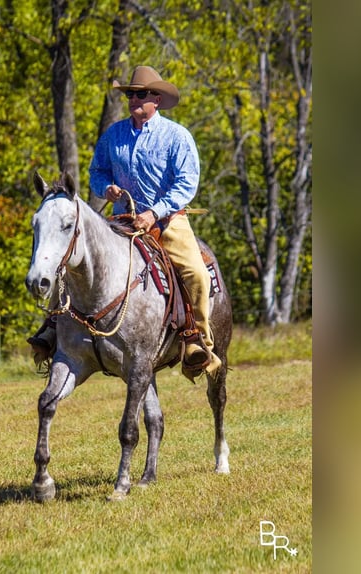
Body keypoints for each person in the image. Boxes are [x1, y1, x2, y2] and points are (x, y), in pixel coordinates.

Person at [28, 65, 222, 376]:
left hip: (167, 222)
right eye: (130, 94)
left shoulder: (176, 137)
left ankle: (196, 339)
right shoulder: (113, 135)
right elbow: (96, 172)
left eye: (140, 94)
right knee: (72, 258)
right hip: (121, 220)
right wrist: (106, 187)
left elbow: (186, 183)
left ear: (156, 99)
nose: (133, 99)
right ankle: (54, 327)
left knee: (196, 272)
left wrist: (154, 212)